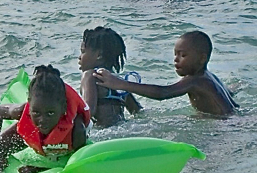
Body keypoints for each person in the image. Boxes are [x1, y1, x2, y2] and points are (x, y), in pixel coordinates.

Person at [0, 65, 91, 173]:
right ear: (29, 106)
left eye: (50, 113)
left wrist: (39, 170)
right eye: (36, 113)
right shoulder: (21, 111)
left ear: (63, 108)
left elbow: (78, 166)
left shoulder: (77, 130)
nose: (42, 120)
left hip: (64, 138)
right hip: (32, 134)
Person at [93, 31, 238, 116]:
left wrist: (120, 84)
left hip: (226, 124)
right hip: (233, 117)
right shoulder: (208, 77)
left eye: (183, 55)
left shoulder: (195, 80)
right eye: (175, 54)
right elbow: (225, 94)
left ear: (202, 58)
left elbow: (163, 93)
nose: (176, 60)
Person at [79, 27, 143, 127]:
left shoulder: (89, 75)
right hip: (122, 129)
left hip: (104, 134)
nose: (80, 57)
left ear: (99, 55)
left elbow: (88, 111)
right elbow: (137, 111)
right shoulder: (118, 82)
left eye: (83, 52)